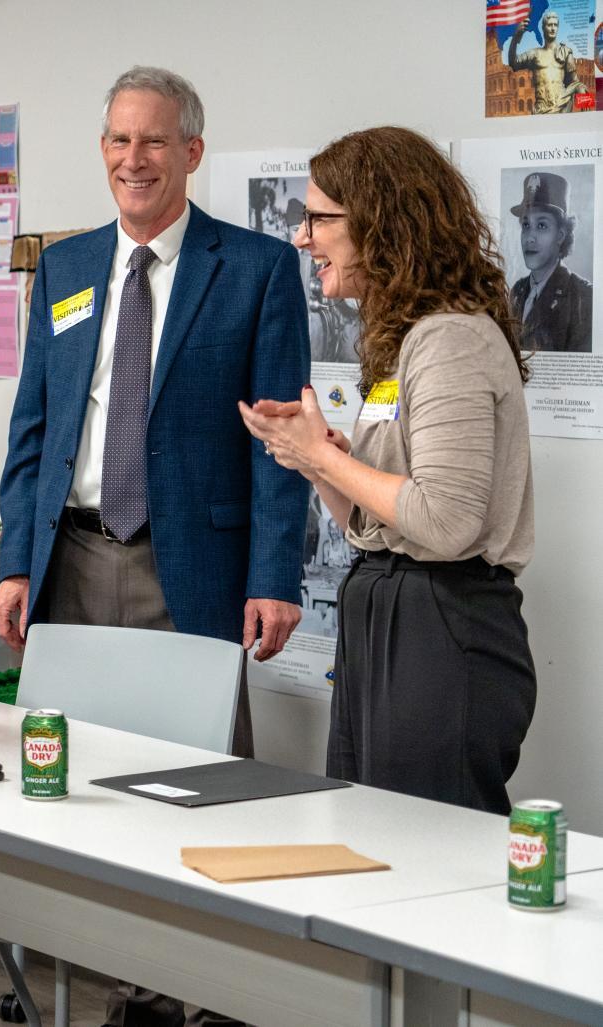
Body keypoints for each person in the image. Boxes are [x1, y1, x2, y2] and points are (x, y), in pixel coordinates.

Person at [0, 65, 309, 1027]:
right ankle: (125, 978)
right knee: (81, 781)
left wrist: (275, 575)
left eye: (156, 142)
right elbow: (33, 426)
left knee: (201, 779)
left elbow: (282, 444)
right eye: (119, 141)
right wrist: (13, 561)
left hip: (195, 567)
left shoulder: (253, 268)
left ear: (192, 154)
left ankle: (209, 987)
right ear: (103, 151)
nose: (135, 160)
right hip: (75, 558)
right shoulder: (66, 267)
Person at [240, 126, 538, 815]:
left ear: (381, 222)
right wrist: (317, 461)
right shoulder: (405, 341)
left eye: (319, 217)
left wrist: (322, 456)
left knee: (428, 857)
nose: (302, 237)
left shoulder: (451, 338)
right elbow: (373, 525)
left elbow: (446, 520)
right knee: (372, 836)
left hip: (444, 626)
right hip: (390, 614)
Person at [507, 171, 592, 353]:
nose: (530, 238)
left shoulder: (582, 296)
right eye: (526, 225)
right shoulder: (517, 291)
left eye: (542, 225)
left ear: (561, 235)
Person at [507, 9, 588, 114]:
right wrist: (516, 37)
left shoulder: (565, 52)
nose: (553, 28)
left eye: (555, 25)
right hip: (541, 109)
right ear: (543, 28)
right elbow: (513, 63)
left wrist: (584, 98)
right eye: (549, 25)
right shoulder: (534, 54)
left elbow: (574, 82)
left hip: (562, 107)